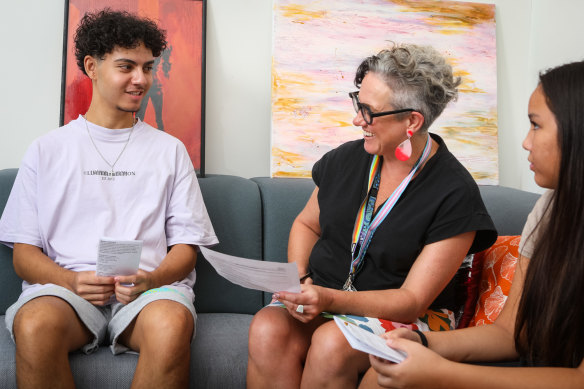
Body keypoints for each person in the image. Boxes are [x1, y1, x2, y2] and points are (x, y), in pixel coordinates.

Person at [247, 43, 497, 388]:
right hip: (326, 299)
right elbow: (306, 223)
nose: (357, 119)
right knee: (267, 327)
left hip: (413, 317)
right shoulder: (345, 160)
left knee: (332, 343)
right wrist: (301, 281)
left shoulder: (455, 194)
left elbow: (411, 301)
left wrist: (329, 298)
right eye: (357, 103)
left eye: (369, 111)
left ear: (412, 120)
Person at [0, 9, 218, 388]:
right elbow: (24, 255)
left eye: (148, 67)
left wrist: (150, 279)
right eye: (126, 66)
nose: (141, 79)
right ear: (92, 66)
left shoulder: (169, 151)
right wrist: (70, 280)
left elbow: (186, 249)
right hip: (64, 292)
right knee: (34, 324)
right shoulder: (47, 150)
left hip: (149, 293)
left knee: (171, 324)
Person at [360, 60, 584, 389]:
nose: (525, 142)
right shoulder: (550, 210)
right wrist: (418, 343)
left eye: (536, 125)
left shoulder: (453, 189)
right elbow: (509, 333)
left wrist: (438, 372)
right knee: (379, 375)